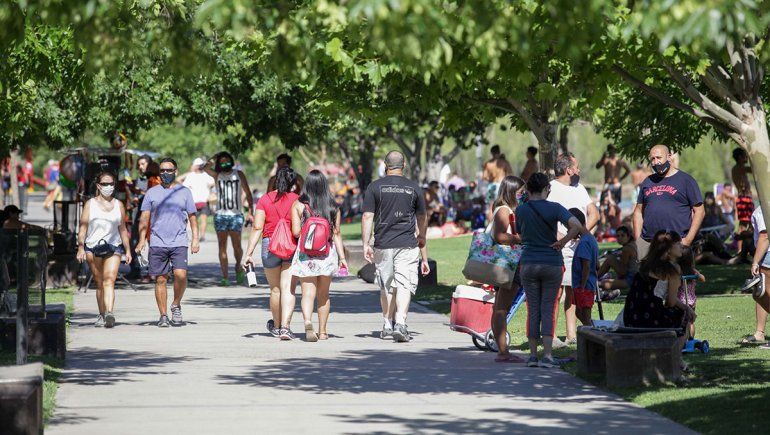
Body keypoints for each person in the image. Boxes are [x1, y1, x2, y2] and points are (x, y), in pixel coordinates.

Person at [362, 150, 430, 342]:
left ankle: (387, 325)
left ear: (385, 165)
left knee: (386, 285)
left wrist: (366, 243)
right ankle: (400, 322)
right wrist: (422, 236)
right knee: (403, 283)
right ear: (404, 165)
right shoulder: (414, 188)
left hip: (383, 243)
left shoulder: (374, 187)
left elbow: (368, 216)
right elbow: (422, 216)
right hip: (407, 243)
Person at [516, 173, 582, 368]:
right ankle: (548, 355)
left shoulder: (521, 210)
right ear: (547, 189)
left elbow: (520, 232)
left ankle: (533, 356)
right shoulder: (555, 208)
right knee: (548, 308)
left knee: (533, 309)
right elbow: (576, 225)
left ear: (528, 190)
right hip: (552, 263)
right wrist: (562, 242)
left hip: (528, 262)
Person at [136, 158, 200, 327]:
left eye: (169, 171)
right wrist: (141, 240)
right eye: (162, 171)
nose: (165, 173)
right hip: (157, 241)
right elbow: (144, 218)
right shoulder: (152, 192)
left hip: (179, 240)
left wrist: (195, 239)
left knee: (181, 275)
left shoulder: (184, 192)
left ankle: (176, 304)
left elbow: (193, 217)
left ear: (175, 172)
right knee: (161, 280)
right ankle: (163, 315)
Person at [289, 170, 347, 342]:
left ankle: (308, 322)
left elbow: (296, 232)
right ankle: (322, 332)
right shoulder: (333, 207)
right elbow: (336, 234)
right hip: (326, 255)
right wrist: (342, 259)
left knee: (307, 294)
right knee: (324, 295)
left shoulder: (298, 205)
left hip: (306, 256)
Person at [547, 152, 599, 344]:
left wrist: (581, 233)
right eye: (576, 167)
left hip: (577, 248)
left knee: (572, 289)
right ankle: (550, 335)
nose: (579, 170)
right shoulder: (550, 189)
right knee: (556, 291)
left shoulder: (579, 188)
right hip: (557, 248)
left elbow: (594, 213)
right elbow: (546, 220)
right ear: (568, 169)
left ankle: (571, 335)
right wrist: (563, 238)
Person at [243, 167, 300, 339]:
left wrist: (249, 253)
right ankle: (285, 327)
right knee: (288, 289)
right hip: (291, 245)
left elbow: (257, 227)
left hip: (270, 246)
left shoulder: (265, 200)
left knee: (275, 290)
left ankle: (275, 326)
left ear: (276, 180)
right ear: (294, 183)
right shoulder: (298, 200)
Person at [624, 230, 696, 352]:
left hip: (631, 317)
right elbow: (671, 302)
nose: (681, 246)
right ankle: (675, 359)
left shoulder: (644, 265)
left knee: (682, 310)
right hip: (651, 321)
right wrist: (686, 308)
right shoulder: (673, 270)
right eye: (678, 243)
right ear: (668, 249)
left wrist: (684, 306)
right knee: (684, 317)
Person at [76, 171, 132, 328]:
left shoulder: (119, 205)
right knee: (99, 282)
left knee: (109, 280)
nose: (109, 187)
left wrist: (127, 250)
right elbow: (83, 227)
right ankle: (101, 314)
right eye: (105, 184)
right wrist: (80, 247)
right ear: (98, 186)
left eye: (111, 184)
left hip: (113, 246)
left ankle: (109, 313)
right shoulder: (90, 204)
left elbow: (122, 229)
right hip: (92, 247)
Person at [632, 144, 704, 260]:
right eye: (652, 159)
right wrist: (638, 241)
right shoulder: (647, 181)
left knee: (676, 276)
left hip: (676, 242)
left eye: (659, 158)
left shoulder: (686, 180)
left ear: (669, 157)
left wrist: (688, 240)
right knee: (646, 277)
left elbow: (700, 211)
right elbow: (638, 212)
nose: (655, 162)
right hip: (648, 243)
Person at [489, 176, 526, 362]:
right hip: (508, 263)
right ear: (511, 191)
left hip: (506, 263)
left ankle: (502, 349)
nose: (523, 194)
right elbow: (499, 236)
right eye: (520, 191)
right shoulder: (504, 210)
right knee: (502, 308)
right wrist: (520, 239)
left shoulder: (502, 208)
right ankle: (503, 352)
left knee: (499, 307)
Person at [204, 152, 254, 286]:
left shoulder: (238, 174)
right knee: (222, 246)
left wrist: (251, 212)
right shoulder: (217, 175)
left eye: (227, 161)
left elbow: (248, 193)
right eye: (222, 161)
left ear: (231, 162)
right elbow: (205, 167)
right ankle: (225, 276)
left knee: (237, 246)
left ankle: (238, 266)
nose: (224, 163)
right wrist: (216, 156)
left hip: (236, 215)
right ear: (219, 164)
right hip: (220, 215)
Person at [741, 206, 769, 346]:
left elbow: (765, 236)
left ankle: (760, 333)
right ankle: (760, 333)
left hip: (768, 254)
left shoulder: (765, 208)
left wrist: (755, 262)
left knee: (762, 294)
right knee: (761, 293)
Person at [570, 208, 599, 329]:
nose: (568, 231)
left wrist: (582, 285)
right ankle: (593, 329)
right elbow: (596, 264)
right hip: (587, 284)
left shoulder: (584, 243)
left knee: (585, 315)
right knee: (579, 313)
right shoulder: (591, 239)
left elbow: (586, 266)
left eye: (569, 227)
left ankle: (593, 334)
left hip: (584, 286)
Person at [598, 225, 638, 300]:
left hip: (631, 279)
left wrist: (615, 260)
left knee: (610, 259)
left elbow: (622, 272)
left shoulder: (626, 249)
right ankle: (605, 291)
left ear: (628, 236)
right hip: (636, 278)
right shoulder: (633, 244)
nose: (620, 238)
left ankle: (595, 279)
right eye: (618, 236)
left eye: (622, 235)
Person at [179, 157, 215, 240]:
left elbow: (181, 182)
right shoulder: (206, 175)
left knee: (193, 220)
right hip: (204, 201)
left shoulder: (190, 176)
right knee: (203, 219)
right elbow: (213, 183)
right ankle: (202, 236)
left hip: (194, 201)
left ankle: (195, 236)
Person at [677, 246, 704, 340]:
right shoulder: (692, 271)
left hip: (681, 301)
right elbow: (703, 278)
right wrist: (697, 276)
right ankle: (691, 339)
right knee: (691, 322)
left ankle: (683, 338)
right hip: (692, 300)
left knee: (681, 321)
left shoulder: (678, 271)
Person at [732, 148, 754, 254]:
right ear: (740, 157)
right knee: (744, 224)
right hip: (744, 199)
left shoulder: (739, 168)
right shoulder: (739, 168)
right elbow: (753, 169)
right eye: (745, 156)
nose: (746, 158)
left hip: (745, 199)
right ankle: (740, 250)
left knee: (748, 224)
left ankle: (744, 249)